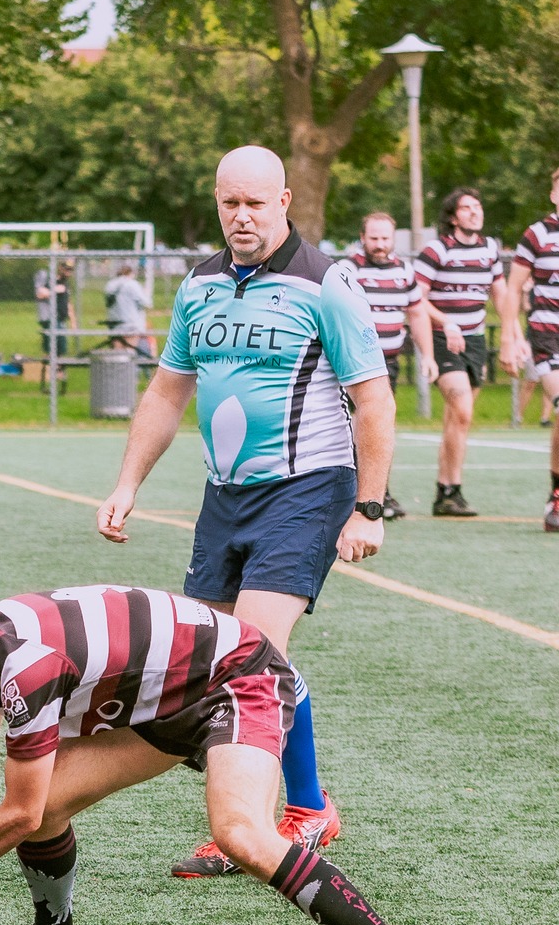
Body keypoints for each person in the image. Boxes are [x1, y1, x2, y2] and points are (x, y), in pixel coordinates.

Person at [0, 587, 454, 925]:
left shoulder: (26, 666)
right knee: (46, 804)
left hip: (237, 677)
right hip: (163, 698)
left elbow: (13, 813)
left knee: (242, 835)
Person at [97, 146, 390, 881]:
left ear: (284, 200)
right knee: (217, 654)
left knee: (254, 648)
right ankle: (305, 805)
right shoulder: (198, 286)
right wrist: (127, 482)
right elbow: (167, 392)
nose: (242, 216)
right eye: (230, 202)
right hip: (224, 495)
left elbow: (374, 399)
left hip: (308, 488)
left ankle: (263, 822)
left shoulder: (327, 283)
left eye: (256, 203)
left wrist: (369, 508)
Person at [414, 187, 505, 517]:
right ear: (453, 217)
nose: (475, 212)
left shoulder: (490, 250)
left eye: (478, 206)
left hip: (475, 341)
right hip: (443, 339)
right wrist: (446, 322)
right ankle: (450, 490)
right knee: (462, 409)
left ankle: (447, 491)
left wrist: (512, 332)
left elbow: (501, 293)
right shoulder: (437, 251)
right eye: (467, 208)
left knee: (458, 419)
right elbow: (416, 299)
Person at [350, 211, 439, 522]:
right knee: (354, 426)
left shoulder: (404, 270)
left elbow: (416, 313)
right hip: (353, 361)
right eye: (373, 238)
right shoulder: (348, 270)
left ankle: (378, 492)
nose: (380, 244)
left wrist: (427, 355)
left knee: (379, 425)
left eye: (385, 238)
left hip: (387, 362)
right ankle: (353, 494)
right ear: (363, 238)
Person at [496, 167, 559, 531]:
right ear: (553, 195)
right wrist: (509, 335)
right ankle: (556, 497)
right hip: (547, 337)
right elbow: (513, 286)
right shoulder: (537, 234)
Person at [101, 263, 152, 357]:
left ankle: (117, 371)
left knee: (117, 354)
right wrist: (145, 292)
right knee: (130, 353)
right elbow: (147, 303)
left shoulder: (110, 285)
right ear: (130, 273)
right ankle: (128, 371)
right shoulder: (132, 284)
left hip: (114, 325)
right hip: (131, 325)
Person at [34, 259, 72, 358]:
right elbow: (40, 294)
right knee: (52, 347)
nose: (69, 272)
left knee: (61, 348)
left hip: (61, 319)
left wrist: (73, 320)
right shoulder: (52, 281)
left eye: (71, 270)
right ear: (60, 268)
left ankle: (59, 371)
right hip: (51, 318)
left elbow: (68, 302)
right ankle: (49, 370)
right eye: (67, 269)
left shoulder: (65, 283)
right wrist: (55, 290)